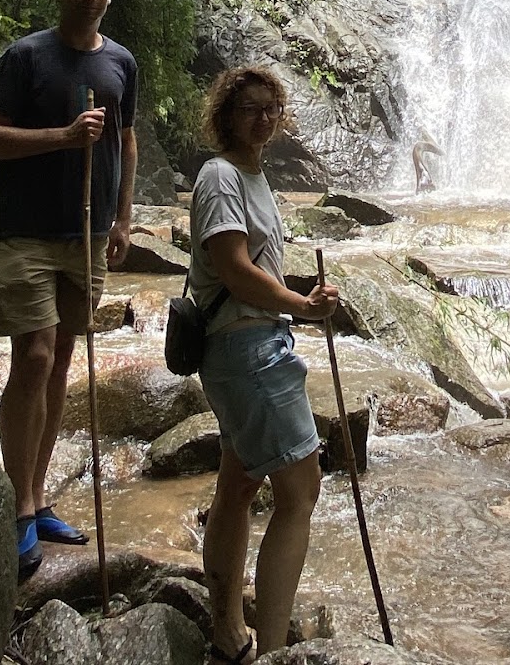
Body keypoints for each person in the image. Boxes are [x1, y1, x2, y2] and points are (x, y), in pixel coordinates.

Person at [0, 0, 137, 581]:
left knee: (63, 360)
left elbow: (125, 136)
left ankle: (37, 500)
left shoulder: (119, 62)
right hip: (25, 233)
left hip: (89, 233)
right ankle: (17, 508)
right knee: (34, 356)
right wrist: (61, 137)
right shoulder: (25, 57)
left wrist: (122, 219)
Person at [188, 66, 339, 665]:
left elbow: (258, 269)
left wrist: (301, 301)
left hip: (245, 346)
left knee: (238, 484)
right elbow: (234, 269)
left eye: (271, 108)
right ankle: (274, 649)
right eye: (250, 108)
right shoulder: (222, 176)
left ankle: (227, 629)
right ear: (226, 115)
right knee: (300, 491)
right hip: (249, 351)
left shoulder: (251, 176)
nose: (263, 118)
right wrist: (300, 305)